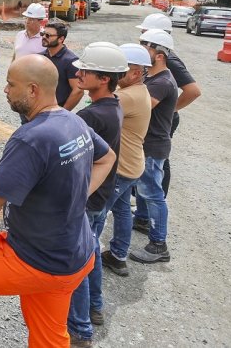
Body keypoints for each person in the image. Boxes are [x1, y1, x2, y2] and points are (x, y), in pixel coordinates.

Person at [0, 55, 116, 347]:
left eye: (11, 85)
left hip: (36, 259)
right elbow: (107, 158)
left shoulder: (30, 139)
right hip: (76, 256)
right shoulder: (73, 121)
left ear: (33, 90)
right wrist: (74, 197)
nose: (5, 91)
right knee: (48, 336)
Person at [66, 43, 128, 346]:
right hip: (102, 194)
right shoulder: (113, 105)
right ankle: (95, 307)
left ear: (104, 78)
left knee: (75, 261)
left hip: (89, 197)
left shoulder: (91, 117)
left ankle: (79, 330)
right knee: (90, 251)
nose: (79, 74)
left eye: (85, 71)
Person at [136, 13, 201, 197]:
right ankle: (145, 203)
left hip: (162, 117)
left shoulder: (169, 60)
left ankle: (155, 200)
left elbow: (193, 91)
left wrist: (171, 108)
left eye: (144, 33)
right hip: (158, 112)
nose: (141, 38)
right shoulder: (157, 57)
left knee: (157, 159)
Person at [102, 44, 153, 277]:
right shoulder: (141, 91)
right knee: (122, 210)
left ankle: (88, 256)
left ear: (135, 73)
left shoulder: (125, 96)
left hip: (121, 166)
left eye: (121, 70)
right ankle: (119, 255)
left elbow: (99, 110)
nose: (115, 74)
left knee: (97, 213)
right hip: (132, 163)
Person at [130, 29, 178, 264]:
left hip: (153, 145)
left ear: (159, 55)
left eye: (146, 48)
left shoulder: (162, 81)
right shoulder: (153, 77)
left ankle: (159, 244)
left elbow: (142, 107)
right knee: (144, 188)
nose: (142, 53)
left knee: (153, 193)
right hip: (147, 143)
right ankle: (141, 219)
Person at [40, 19, 84, 110]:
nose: (44, 37)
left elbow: (78, 90)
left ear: (61, 39)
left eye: (48, 35)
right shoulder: (40, 57)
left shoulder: (71, 61)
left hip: (56, 111)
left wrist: (63, 112)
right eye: (42, 34)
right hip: (37, 109)